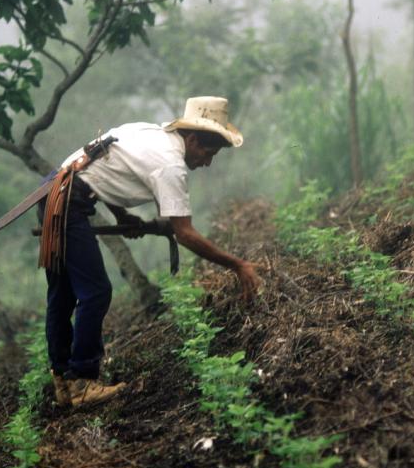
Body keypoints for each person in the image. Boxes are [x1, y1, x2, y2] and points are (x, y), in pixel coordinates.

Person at [44, 96, 262, 407]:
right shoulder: (171, 165)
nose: (207, 162)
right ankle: (82, 381)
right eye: (207, 152)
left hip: (53, 190)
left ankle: (63, 382)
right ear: (192, 138)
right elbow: (184, 233)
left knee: (63, 294)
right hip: (68, 203)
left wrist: (123, 217)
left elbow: (103, 168)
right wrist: (238, 265)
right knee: (95, 292)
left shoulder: (149, 133)